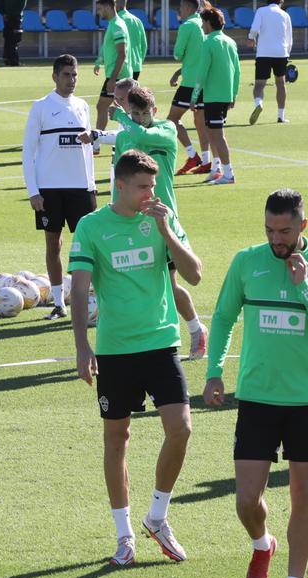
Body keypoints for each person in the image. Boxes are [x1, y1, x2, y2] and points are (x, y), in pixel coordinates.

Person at [204, 188, 308, 578]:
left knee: (304, 496)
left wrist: (304, 287)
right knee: (247, 499)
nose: (276, 238)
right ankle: (262, 544)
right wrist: (214, 371)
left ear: (302, 225)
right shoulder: (246, 262)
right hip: (257, 398)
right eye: (270, 229)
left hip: (307, 399)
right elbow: (224, 316)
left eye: (285, 230)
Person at [69, 149, 203, 566]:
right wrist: (81, 345)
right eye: (144, 186)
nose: (152, 193)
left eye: (154, 185)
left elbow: (195, 273)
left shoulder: (161, 219)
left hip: (161, 343)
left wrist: (166, 230)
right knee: (117, 439)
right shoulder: (92, 227)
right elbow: (78, 289)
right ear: (121, 185)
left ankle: (157, 517)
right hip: (115, 349)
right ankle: (124, 536)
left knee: (180, 429)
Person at [103, 86, 209, 358]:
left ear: (155, 111)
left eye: (144, 113)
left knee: (170, 284)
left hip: (163, 218)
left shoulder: (166, 129)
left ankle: (196, 329)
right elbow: (120, 180)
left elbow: (142, 133)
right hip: (132, 222)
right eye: (134, 113)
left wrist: (123, 117)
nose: (139, 118)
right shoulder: (127, 136)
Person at [22, 54, 96, 320]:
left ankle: (91, 299)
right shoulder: (41, 106)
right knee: (53, 244)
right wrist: (33, 191)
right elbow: (28, 151)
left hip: (81, 188)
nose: (71, 80)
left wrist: (91, 186)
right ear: (54, 76)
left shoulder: (83, 106)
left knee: (89, 245)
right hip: (50, 189)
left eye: (75, 74)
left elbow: (88, 151)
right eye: (66, 75)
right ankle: (58, 303)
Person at [193, 7, 239, 185]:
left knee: (217, 135)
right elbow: (237, 71)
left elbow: (202, 72)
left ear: (208, 23)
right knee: (212, 134)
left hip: (213, 96)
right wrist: (233, 94)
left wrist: (194, 96)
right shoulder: (230, 41)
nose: (202, 26)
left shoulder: (208, 42)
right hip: (224, 95)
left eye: (203, 22)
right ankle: (216, 169)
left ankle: (228, 174)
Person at [168, 0, 211, 176]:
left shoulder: (187, 26)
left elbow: (178, 54)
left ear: (187, 7)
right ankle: (207, 161)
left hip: (190, 83)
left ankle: (193, 155)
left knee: (172, 120)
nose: (179, 10)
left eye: (180, 6)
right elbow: (200, 56)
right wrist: (179, 72)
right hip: (206, 80)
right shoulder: (206, 23)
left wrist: (180, 67)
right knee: (200, 122)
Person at [92, 0, 130, 147]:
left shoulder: (117, 26)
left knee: (103, 106)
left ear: (108, 6)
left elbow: (122, 55)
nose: (98, 12)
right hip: (117, 75)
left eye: (100, 8)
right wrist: (99, 61)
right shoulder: (114, 24)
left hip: (118, 77)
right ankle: (99, 142)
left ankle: (96, 143)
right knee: (111, 107)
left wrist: (113, 79)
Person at [247, 0, 292, 125]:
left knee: (259, 85)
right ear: (281, 1)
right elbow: (289, 38)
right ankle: (281, 116)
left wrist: (251, 38)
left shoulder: (261, 11)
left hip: (263, 53)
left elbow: (255, 28)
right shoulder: (285, 15)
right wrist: (287, 53)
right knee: (281, 84)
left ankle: (259, 103)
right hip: (281, 53)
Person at [0, 0, 26, 67]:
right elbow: (21, 5)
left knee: (8, 38)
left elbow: (1, 3)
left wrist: (4, 13)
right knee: (14, 39)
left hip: (7, 17)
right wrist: (14, 14)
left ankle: (7, 59)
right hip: (16, 17)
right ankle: (13, 61)